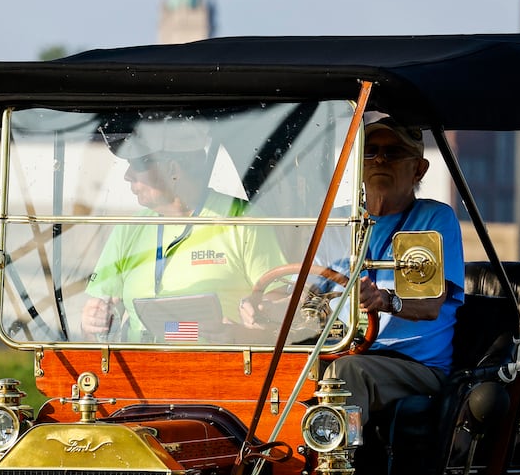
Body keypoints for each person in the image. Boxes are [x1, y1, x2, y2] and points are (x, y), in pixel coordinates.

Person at [81, 119, 287, 342]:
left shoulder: (243, 219)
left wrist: (241, 335)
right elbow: (95, 322)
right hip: (140, 367)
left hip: (219, 367)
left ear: (173, 170)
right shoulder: (129, 228)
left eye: (138, 165)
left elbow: (281, 304)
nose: (127, 175)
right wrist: (91, 323)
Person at [326, 116, 466, 425]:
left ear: (419, 168)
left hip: (414, 365)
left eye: (393, 152)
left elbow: (430, 307)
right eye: (370, 151)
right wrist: (265, 304)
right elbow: (305, 286)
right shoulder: (339, 223)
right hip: (342, 351)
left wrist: (385, 301)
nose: (379, 159)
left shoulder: (434, 220)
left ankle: (338, 468)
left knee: (346, 372)